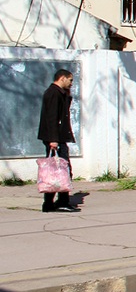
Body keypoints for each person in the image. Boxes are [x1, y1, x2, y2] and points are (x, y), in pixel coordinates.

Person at [38, 68, 78, 213]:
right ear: (62, 78)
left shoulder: (59, 93)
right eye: (70, 80)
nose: (71, 83)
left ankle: (51, 203)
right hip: (56, 138)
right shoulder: (54, 93)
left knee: (57, 170)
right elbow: (52, 117)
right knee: (60, 170)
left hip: (57, 137)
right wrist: (53, 139)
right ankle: (60, 202)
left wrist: (67, 95)